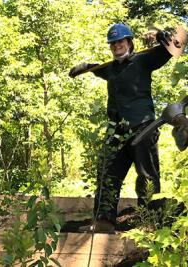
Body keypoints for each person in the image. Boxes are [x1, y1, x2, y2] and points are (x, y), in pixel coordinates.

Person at [69, 24, 173, 233]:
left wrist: (162, 36)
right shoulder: (110, 68)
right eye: (113, 43)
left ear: (129, 42)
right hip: (117, 131)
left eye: (120, 41)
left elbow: (169, 50)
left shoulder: (144, 60)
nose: (117, 45)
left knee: (147, 176)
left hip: (143, 126)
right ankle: (104, 222)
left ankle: (148, 221)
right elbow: (99, 70)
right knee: (107, 172)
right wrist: (86, 67)